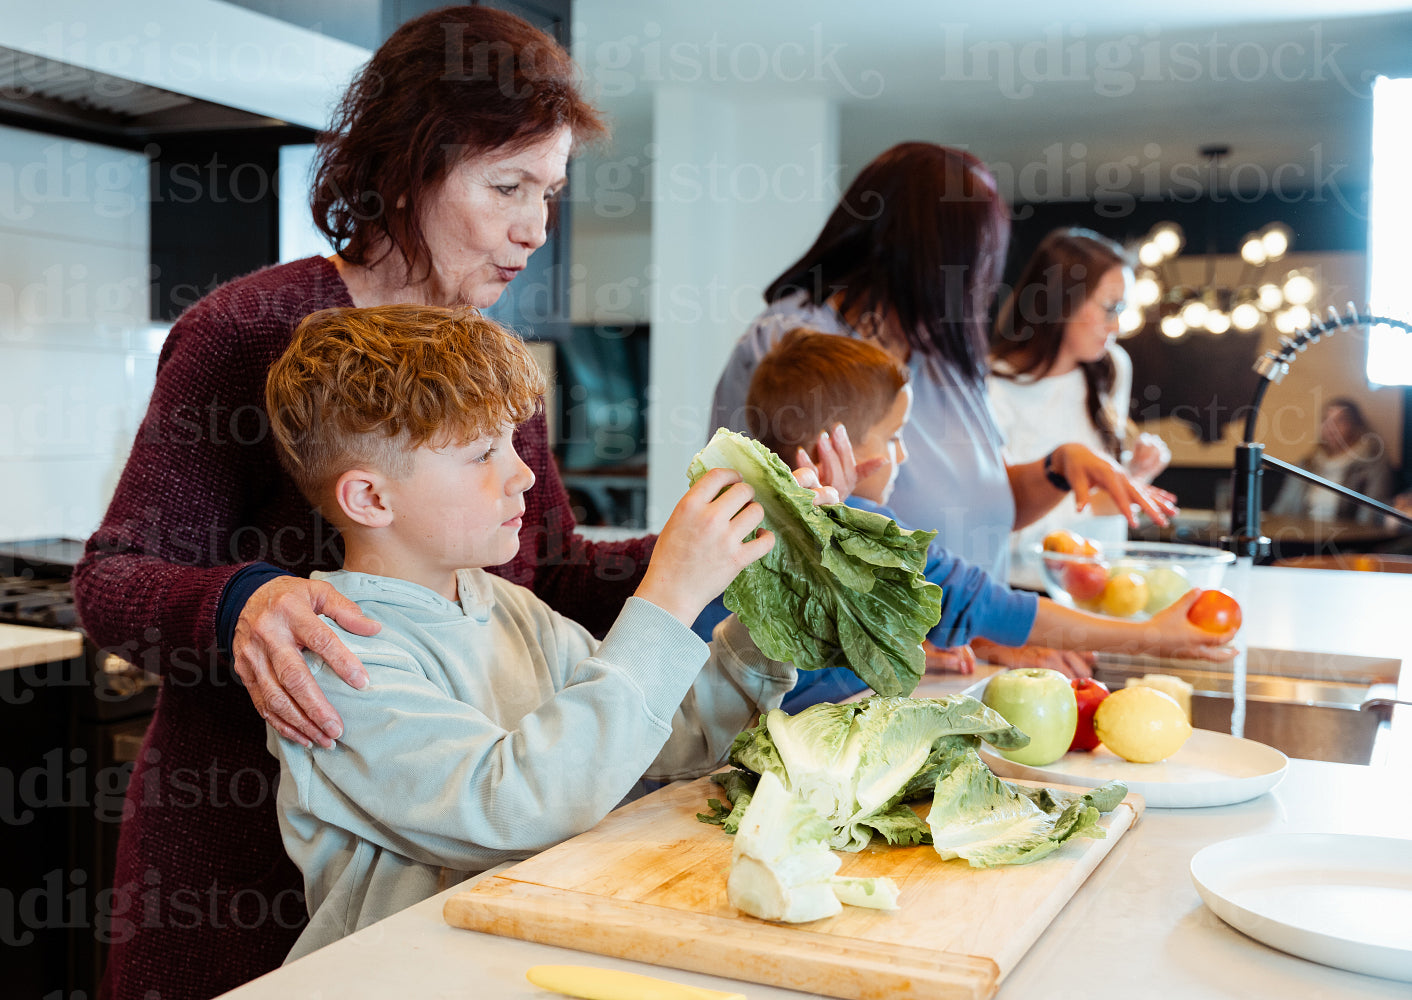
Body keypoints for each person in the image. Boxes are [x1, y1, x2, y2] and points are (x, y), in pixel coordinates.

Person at [70, 10, 665, 998]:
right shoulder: (249, 331)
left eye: (549, 193)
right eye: (506, 186)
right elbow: (112, 580)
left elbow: (552, 573)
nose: (535, 227)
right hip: (239, 864)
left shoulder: (481, 365)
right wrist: (242, 603)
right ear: (406, 171)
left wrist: (713, 547)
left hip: (429, 863)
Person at [262, 304, 797, 959]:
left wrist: (774, 616)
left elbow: (674, 738)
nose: (521, 473)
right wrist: (671, 594)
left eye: (512, 443)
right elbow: (512, 804)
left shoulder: (511, 609)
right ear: (371, 499)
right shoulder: (336, 659)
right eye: (482, 452)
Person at [710, 143, 1176, 680]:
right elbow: (772, 558)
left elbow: (985, 504)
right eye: (975, 255)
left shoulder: (945, 356)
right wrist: (929, 636)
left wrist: (1056, 469)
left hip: (964, 665)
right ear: (924, 253)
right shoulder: (795, 343)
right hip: (865, 685)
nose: (980, 278)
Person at [735, 329, 1232, 706]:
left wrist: (916, 650)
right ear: (832, 446)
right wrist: (1154, 637)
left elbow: (809, 658)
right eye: (893, 436)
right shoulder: (860, 526)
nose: (902, 456)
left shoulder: (745, 511)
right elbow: (993, 607)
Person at [988, 227, 1172, 591]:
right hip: (1024, 589)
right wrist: (1097, 503)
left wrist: (1132, 475)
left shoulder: (1112, 367)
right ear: (1061, 301)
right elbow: (995, 520)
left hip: (1103, 581)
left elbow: (1102, 479)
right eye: (1110, 308)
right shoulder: (991, 387)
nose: (1117, 325)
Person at [1271, 397, 1394, 524]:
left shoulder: (1372, 465)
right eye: (1326, 420)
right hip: (1303, 534)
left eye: (1340, 420)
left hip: (1347, 538)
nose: (1331, 427)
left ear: (1355, 425)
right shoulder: (1308, 462)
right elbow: (1284, 506)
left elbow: (1369, 515)